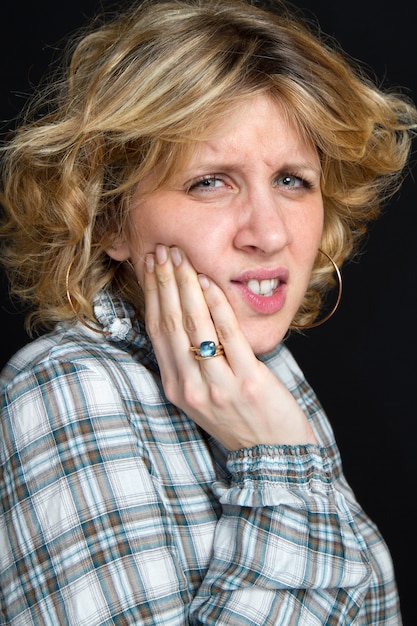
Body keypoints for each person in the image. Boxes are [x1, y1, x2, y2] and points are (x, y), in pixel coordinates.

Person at [0, 0, 415, 623]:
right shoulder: (67, 387)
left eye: (292, 180)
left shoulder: (265, 375)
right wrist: (277, 467)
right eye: (211, 181)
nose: (268, 233)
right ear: (111, 217)